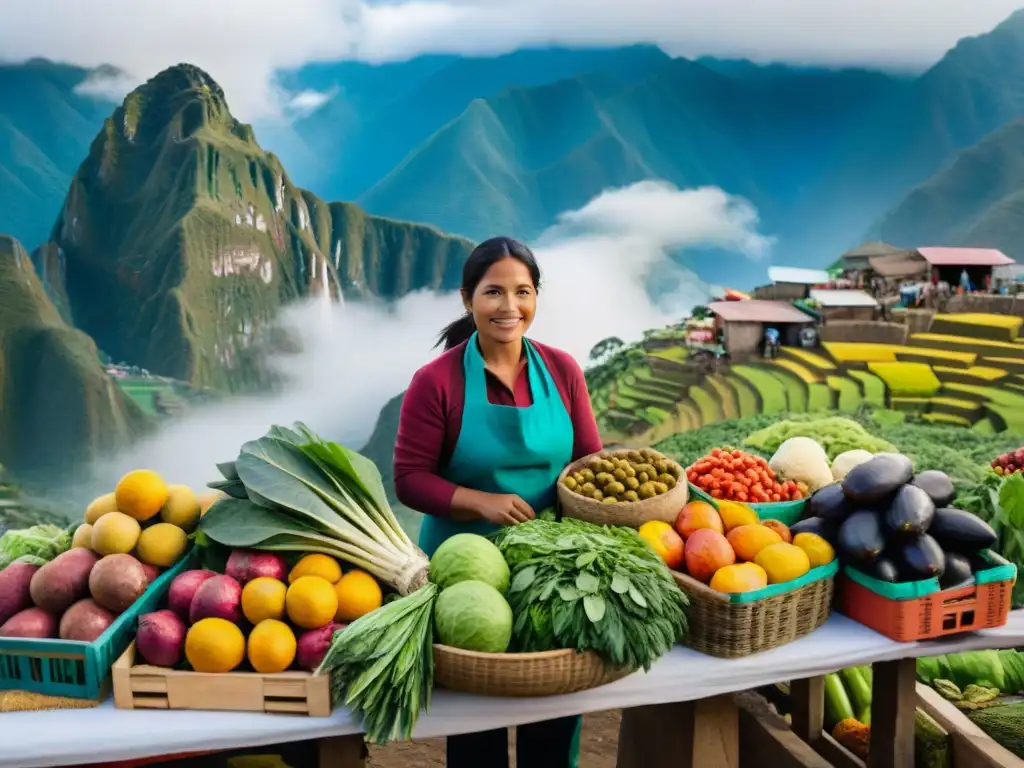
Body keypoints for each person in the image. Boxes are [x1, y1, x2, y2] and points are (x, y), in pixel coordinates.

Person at [393, 236, 603, 768]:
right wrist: (479, 502)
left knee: (553, 716)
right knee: (476, 724)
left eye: (523, 292)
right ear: (468, 300)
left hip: (549, 567)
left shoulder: (562, 371)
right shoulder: (435, 382)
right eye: (493, 292)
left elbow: (588, 467)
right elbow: (410, 479)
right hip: (464, 565)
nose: (509, 307)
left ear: (536, 298)